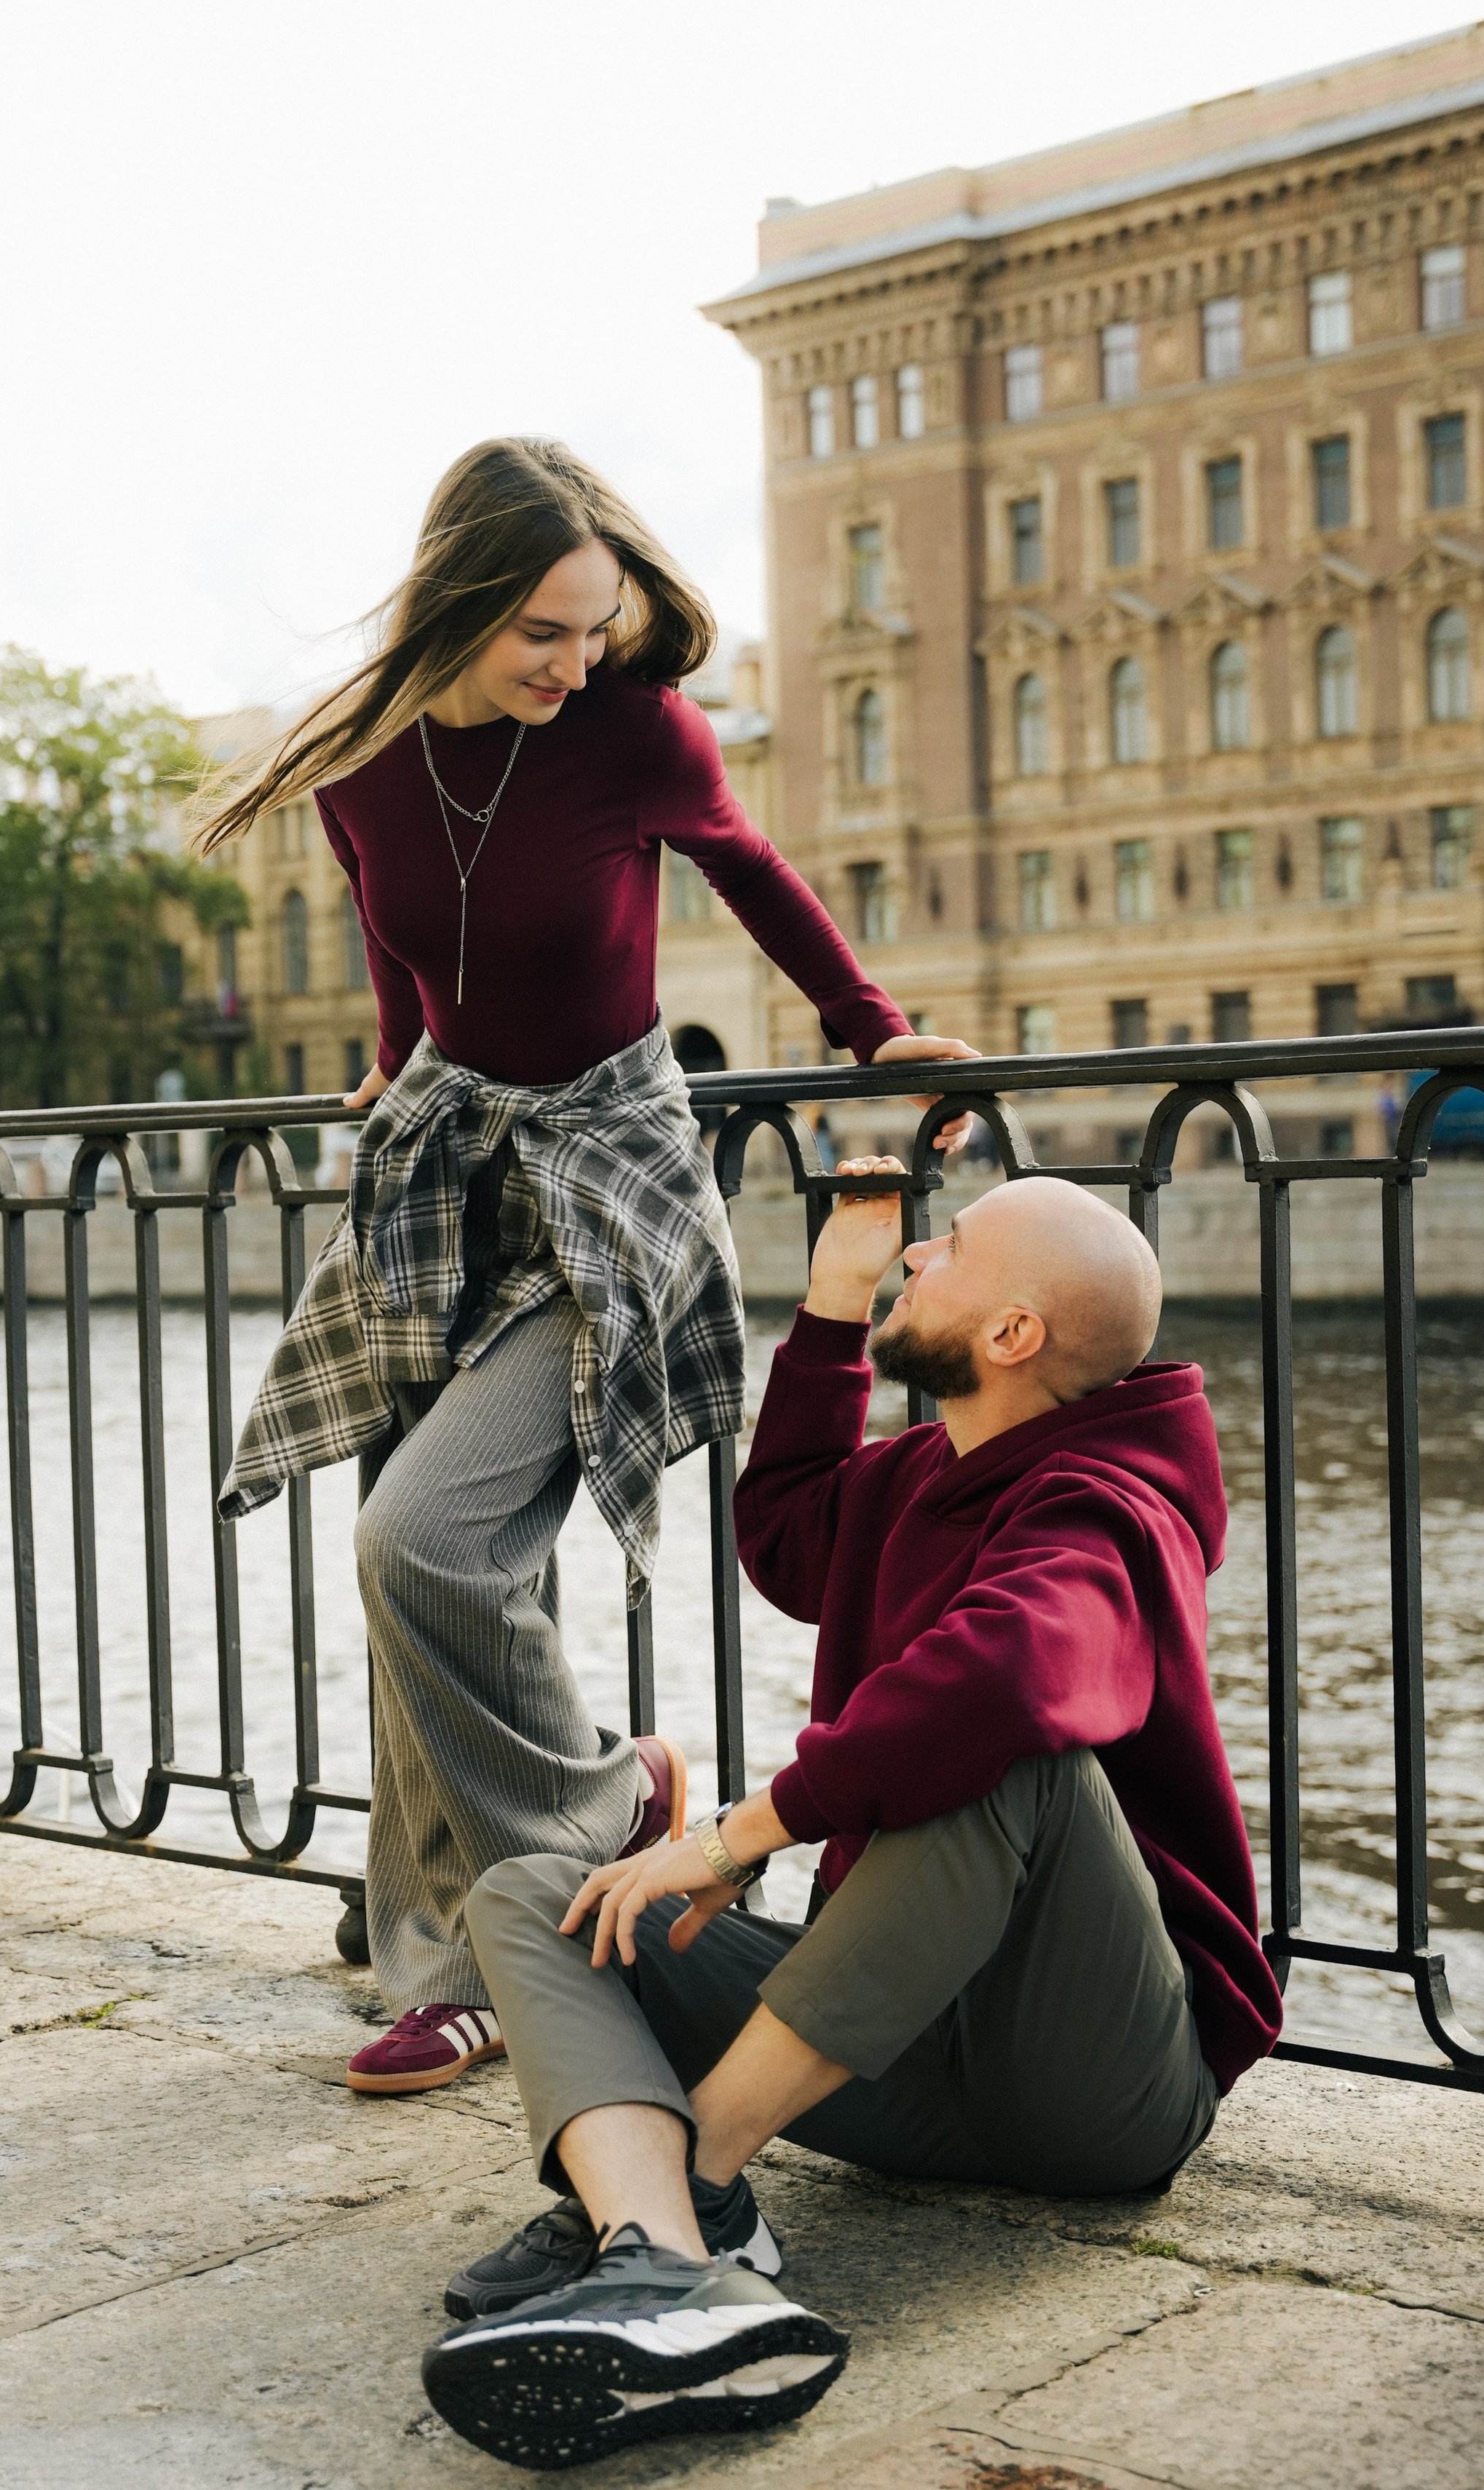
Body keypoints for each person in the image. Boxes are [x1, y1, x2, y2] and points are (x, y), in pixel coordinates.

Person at [192, 440, 972, 2095]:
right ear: (461, 601)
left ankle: (600, 1817)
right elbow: (394, 923)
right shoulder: (359, 751)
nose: (574, 662)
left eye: (593, 626)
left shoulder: (631, 728)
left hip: (609, 1190)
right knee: (403, 1565)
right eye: (543, 630)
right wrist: (397, 1051)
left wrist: (874, 1031)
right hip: (447, 1181)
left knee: (425, 1541)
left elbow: (750, 871)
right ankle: (451, 1961)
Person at [424, 1167, 1282, 2470]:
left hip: (1096, 2082)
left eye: (952, 1247)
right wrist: (835, 1298)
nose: (922, 1251)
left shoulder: (1116, 1509)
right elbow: (784, 1532)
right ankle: (665, 2255)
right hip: (900, 2058)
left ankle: (695, 2175)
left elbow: (1005, 1679)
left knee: (1010, 1752)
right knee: (538, 1895)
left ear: (1012, 1336)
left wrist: (736, 1833)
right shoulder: (925, 1474)